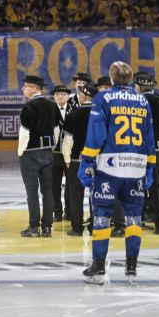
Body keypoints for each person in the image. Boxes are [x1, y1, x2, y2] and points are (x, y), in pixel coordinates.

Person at [79, 61, 155, 284]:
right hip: (136, 167)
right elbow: (150, 137)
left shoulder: (103, 98)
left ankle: (99, 267)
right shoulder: (143, 101)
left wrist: (86, 162)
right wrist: (150, 167)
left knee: (102, 216)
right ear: (131, 79)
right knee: (134, 218)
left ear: (111, 79)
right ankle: (131, 267)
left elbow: (96, 134)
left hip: (109, 167)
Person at [17, 75, 60, 238]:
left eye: (26, 86)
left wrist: (21, 152)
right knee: (48, 191)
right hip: (48, 152)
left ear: (34, 88)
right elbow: (57, 129)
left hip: (30, 154)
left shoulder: (29, 107)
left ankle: (34, 227)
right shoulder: (52, 105)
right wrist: (52, 147)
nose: (23, 89)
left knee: (32, 192)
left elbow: (24, 133)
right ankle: (47, 227)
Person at [134, 72, 159, 234]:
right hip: (156, 150)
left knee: (136, 186)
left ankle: (138, 220)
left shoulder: (135, 101)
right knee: (156, 186)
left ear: (138, 85)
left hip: (137, 151)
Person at [61, 82, 97, 236]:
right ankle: (94, 225)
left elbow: (67, 140)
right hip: (97, 159)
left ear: (82, 97)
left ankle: (76, 227)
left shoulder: (73, 114)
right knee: (95, 193)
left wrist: (67, 159)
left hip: (77, 159)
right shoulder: (101, 114)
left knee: (76, 194)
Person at [51, 85, 73, 222]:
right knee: (54, 185)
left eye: (64, 94)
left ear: (67, 96)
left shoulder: (74, 110)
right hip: (54, 153)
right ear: (54, 96)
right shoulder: (49, 111)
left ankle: (69, 211)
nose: (61, 96)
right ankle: (57, 212)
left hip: (70, 153)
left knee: (70, 184)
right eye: (58, 94)